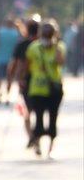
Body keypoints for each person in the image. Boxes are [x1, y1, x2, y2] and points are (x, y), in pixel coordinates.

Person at [24, 21, 66, 158]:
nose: (46, 37)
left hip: (54, 88)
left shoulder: (59, 47)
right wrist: (22, 81)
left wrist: (56, 47)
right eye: (44, 34)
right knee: (39, 119)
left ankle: (51, 148)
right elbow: (27, 66)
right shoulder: (33, 47)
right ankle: (37, 144)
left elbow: (61, 62)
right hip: (37, 89)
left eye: (49, 34)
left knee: (53, 118)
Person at [9, 18, 41, 147]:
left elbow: (15, 64)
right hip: (40, 82)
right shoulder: (40, 44)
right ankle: (36, 139)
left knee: (27, 111)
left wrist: (11, 79)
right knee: (38, 112)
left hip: (25, 81)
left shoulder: (22, 45)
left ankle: (32, 136)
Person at [0, 18, 20, 104]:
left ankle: (0, 93)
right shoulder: (15, 33)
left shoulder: (0, 32)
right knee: (9, 78)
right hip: (11, 59)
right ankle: (7, 95)